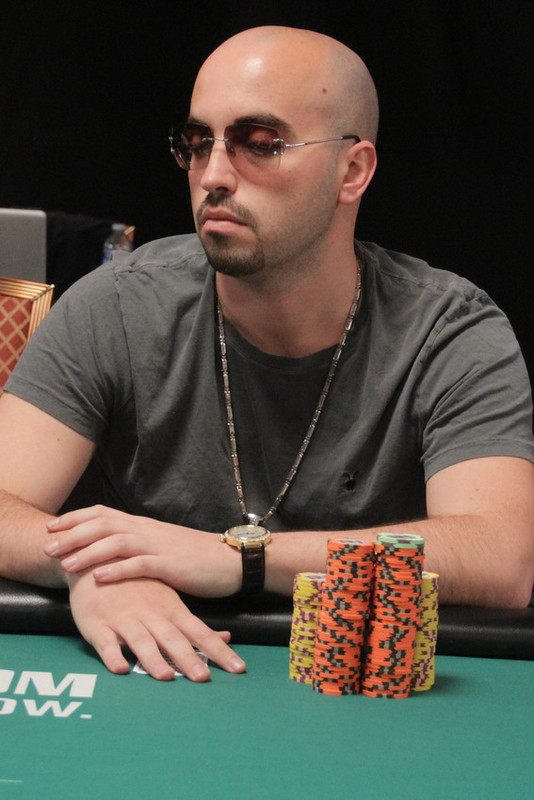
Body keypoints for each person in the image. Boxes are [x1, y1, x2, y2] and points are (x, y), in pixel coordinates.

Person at [1, 26, 533, 682]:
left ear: (352, 171)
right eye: (198, 143)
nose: (213, 176)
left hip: (358, 702)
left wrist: (239, 559)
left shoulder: (448, 331)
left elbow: (502, 557)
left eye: (260, 144)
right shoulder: (115, 305)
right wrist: (96, 567)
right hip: (167, 682)